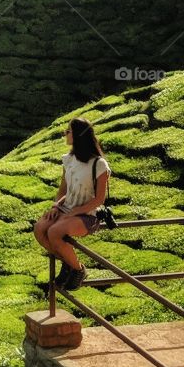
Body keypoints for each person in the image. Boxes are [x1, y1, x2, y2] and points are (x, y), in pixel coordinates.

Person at [33, 116, 110, 291]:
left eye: (68, 131)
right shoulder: (68, 159)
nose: (65, 134)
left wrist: (76, 211)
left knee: (54, 231)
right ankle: (69, 263)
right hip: (66, 209)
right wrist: (55, 206)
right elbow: (63, 190)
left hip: (87, 215)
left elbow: (99, 199)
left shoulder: (99, 164)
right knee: (40, 228)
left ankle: (78, 270)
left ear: (77, 136)